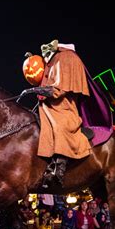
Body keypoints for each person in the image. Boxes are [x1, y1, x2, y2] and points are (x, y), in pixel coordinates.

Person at [20, 40, 92, 188]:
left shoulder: (65, 59)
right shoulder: (53, 62)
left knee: (60, 127)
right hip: (48, 107)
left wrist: (33, 90)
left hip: (63, 108)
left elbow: (58, 89)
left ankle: (59, 169)